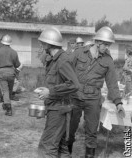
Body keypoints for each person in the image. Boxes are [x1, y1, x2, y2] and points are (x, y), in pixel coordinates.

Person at [68, 26, 125, 158]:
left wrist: (118, 103)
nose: (107, 48)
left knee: (92, 130)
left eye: (109, 45)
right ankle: (67, 151)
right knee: (70, 127)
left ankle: (89, 155)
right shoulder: (79, 52)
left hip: (93, 98)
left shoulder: (107, 60)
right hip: (75, 95)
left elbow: (112, 83)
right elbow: (67, 70)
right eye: (106, 44)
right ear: (98, 42)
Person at [36, 28, 80, 158]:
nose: (42, 45)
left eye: (43, 42)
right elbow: (58, 82)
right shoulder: (54, 59)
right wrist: (47, 90)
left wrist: (50, 91)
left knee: (47, 147)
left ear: (49, 44)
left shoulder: (62, 60)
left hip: (59, 109)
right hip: (57, 108)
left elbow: (74, 84)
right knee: (61, 149)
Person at [0, 35, 21, 116]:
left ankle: (8, 108)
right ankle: (5, 103)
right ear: (10, 43)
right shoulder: (14, 52)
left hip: (2, 72)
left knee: (5, 91)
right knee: (9, 91)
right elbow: (17, 64)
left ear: (2, 42)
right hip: (11, 73)